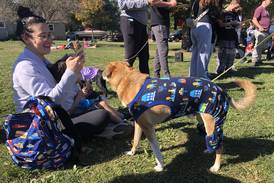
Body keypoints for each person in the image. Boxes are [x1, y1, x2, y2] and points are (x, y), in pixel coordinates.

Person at [12, 6, 128, 140]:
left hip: (58, 116)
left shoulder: (39, 60)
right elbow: (50, 104)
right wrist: (70, 73)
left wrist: (75, 70)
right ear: (26, 38)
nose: (49, 40)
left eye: (49, 34)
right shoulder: (25, 67)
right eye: (43, 36)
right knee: (100, 115)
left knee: (97, 107)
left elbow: (61, 84)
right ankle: (105, 131)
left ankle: (107, 129)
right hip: (42, 127)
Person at [117, 0, 155, 74]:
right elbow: (122, 4)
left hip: (142, 24)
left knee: (144, 57)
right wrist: (146, 2)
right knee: (130, 58)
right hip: (130, 22)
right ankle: (122, 84)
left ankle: (146, 84)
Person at [189, 0, 221, 79]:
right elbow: (216, 15)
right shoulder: (210, 2)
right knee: (203, 53)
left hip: (194, 26)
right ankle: (202, 77)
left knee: (195, 53)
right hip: (205, 26)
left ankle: (192, 76)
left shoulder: (195, 2)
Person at [150, 0, 177, 78]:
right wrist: (170, 3)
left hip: (161, 23)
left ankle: (156, 76)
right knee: (163, 50)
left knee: (159, 51)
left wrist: (172, 6)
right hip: (160, 23)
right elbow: (153, 1)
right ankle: (166, 76)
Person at [215, 0, 241, 75]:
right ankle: (220, 71)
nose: (236, 9)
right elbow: (220, 25)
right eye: (236, 7)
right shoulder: (222, 13)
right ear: (232, 4)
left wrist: (238, 24)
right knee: (222, 54)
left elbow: (238, 24)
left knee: (231, 54)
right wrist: (231, 23)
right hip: (223, 36)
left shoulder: (235, 14)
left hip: (232, 36)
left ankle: (229, 68)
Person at [251, 0, 272, 66]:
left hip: (266, 31)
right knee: (258, 45)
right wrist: (259, 26)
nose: (271, 2)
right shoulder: (259, 9)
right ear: (265, 1)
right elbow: (254, 19)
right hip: (260, 31)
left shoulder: (266, 10)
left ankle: (258, 59)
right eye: (270, 0)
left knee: (263, 46)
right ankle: (255, 60)